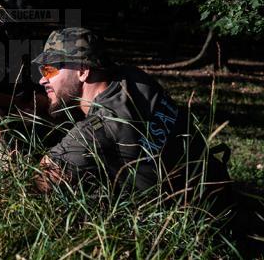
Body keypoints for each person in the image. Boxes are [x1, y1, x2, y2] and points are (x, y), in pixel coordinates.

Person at [32, 28, 231, 201]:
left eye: (49, 70)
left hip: (183, 225)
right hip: (216, 190)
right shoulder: (135, 78)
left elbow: (40, 182)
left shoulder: (95, 131)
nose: (42, 80)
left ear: (83, 71)